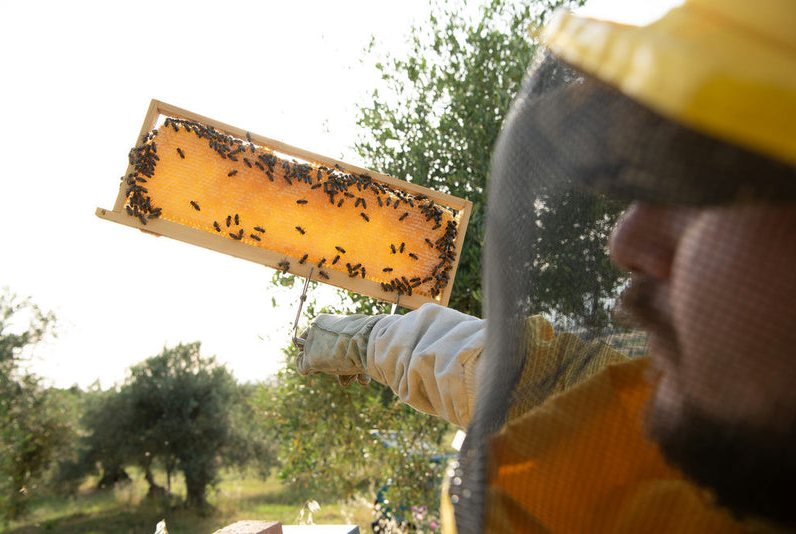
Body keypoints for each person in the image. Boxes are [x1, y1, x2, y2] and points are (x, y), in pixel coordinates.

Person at [297, 1, 796, 532]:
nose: (623, 242)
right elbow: (538, 380)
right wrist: (376, 340)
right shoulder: (681, 441)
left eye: (698, 188)